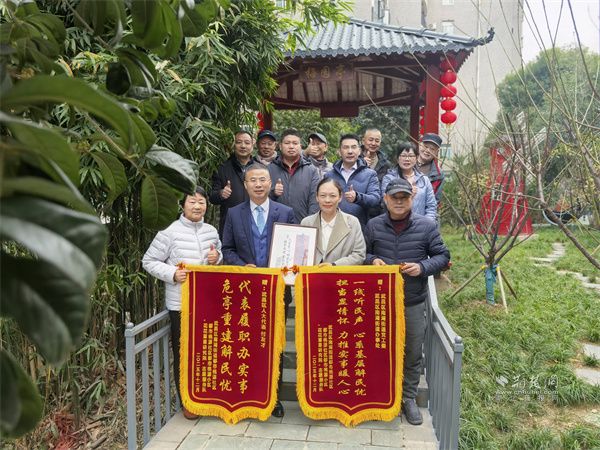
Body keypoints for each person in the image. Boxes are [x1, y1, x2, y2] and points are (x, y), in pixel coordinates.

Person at [364, 178, 450, 426]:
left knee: (412, 351)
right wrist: (372, 261)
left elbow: (443, 256)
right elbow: (363, 253)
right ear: (386, 200)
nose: (399, 202)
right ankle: (379, 394)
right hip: (379, 303)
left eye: (404, 197)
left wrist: (422, 267)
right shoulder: (373, 225)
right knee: (378, 350)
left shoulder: (426, 226)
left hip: (412, 300)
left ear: (412, 199)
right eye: (395, 198)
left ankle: (408, 397)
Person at [221, 163, 295, 418]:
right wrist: (243, 267)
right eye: (253, 180)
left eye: (263, 179)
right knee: (248, 342)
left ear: (270, 182)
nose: (259, 184)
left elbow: (294, 249)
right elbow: (227, 249)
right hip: (247, 290)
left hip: (277, 290)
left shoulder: (286, 212)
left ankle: (273, 396)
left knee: (276, 343)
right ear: (245, 184)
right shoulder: (234, 213)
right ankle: (249, 393)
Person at [142, 187, 222, 420]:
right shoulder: (169, 231)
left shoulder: (211, 231)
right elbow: (149, 260)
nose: (197, 206)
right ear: (183, 205)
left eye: (201, 202)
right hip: (181, 304)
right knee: (184, 352)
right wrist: (173, 274)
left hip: (208, 302)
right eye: (192, 201)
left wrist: (217, 258)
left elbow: (218, 256)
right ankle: (188, 401)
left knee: (208, 350)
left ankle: (207, 395)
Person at [301, 178, 365, 266]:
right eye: (323, 195)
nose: (327, 200)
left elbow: (359, 255)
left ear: (340, 197)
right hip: (312, 273)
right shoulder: (306, 223)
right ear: (317, 197)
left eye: (332, 196)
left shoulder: (352, 222)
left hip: (340, 274)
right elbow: (300, 255)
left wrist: (334, 265)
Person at [324, 133, 380, 229]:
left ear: (359, 151)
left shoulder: (370, 174)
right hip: (333, 227)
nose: (350, 151)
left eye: (353, 147)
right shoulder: (329, 175)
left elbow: (375, 199)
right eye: (346, 147)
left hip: (359, 228)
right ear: (339, 151)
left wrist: (357, 197)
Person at [210, 130, 258, 236]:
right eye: (239, 142)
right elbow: (212, 197)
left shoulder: (259, 169)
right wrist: (221, 194)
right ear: (234, 145)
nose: (243, 146)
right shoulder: (222, 168)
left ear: (252, 145)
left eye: (247, 142)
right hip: (229, 224)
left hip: (255, 224)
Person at [268, 128, 320, 222]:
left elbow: (315, 201)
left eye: (295, 143)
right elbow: (261, 198)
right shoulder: (269, 169)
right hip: (276, 225)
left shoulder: (311, 171)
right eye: (287, 143)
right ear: (280, 146)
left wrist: (310, 223)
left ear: (300, 147)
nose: (291, 146)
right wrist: (273, 193)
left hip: (303, 224)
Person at [381, 142, 437, 222]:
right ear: (397, 158)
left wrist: (426, 225)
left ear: (416, 158)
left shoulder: (424, 180)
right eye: (403, 156)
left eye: (410, 156)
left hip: (420, 225)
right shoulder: (389, 179)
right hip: (395, 224)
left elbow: (431, 206)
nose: (407, 159)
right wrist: (408, 195)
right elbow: (385, 203)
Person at [361, 128, 391, 219]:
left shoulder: (385, 163)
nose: (373, 143)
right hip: (358, 206)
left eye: (377, 141)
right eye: (370, 140)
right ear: (363, 141)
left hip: (378, 211)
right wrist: (360, 163)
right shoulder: (354, 159)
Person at [416, 133, 445, 204]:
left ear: (437, 152)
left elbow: (436, 201)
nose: (427, 151)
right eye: (425, 146)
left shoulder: (438, 175)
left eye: (432, 149)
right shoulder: (407, 163)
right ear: (419, 145)